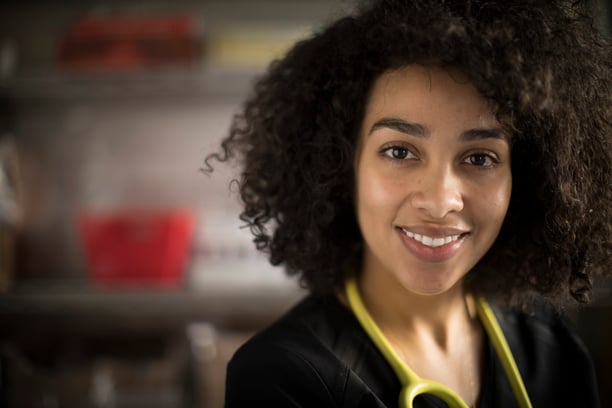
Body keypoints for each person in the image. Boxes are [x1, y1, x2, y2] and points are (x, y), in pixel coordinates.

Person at [205, 0, 611, 406]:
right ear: (341, 164)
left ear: (523, 180)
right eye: (400, 152)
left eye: (480, 158)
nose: (439, 202)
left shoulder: (555, 353)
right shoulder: (281, 376)